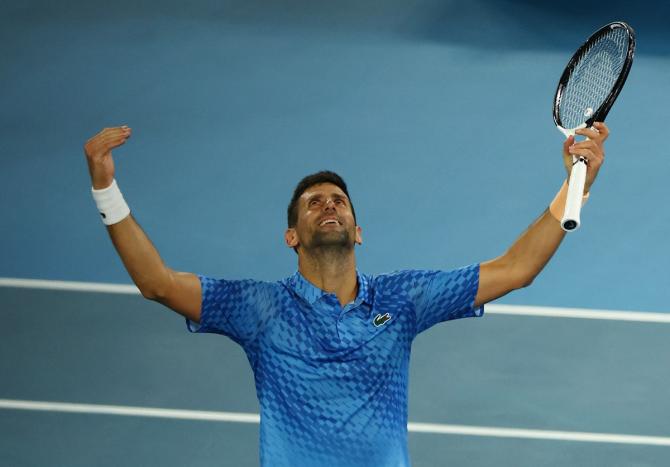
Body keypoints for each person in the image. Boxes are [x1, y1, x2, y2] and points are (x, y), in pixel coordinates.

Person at [83, 123, 608, 467]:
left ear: (358, 230)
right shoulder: (259, 310)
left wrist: (576, 186)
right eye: (313, 203)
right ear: (291, 237)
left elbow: (516, 269)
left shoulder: (403, 301)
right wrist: (105, 188)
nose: (328, 206)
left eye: (339, 201)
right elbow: (156, 283)